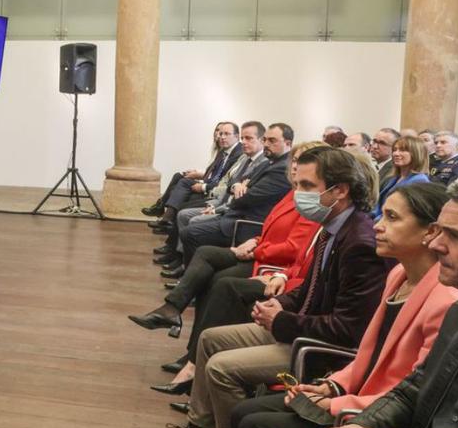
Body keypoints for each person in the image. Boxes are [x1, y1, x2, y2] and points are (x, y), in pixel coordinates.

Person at [145, 147, 388, 428]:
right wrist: (280, 303)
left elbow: (348, 329)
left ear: (340, 191)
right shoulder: (333, 228)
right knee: (210, 339)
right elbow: (309, 289)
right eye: (298, 185)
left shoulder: (359, 242)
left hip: (318, 348)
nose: (299, 193)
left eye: (308, 186)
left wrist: (282, 320)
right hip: (300, 327)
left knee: (221, 368)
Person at [281, 176, 458, 428]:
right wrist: (361, 427)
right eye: (439, 231)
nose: (435, 244)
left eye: (455, 236)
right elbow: (413, 392)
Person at [230, 183, 458, 428]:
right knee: (244, 412)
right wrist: (332, 385)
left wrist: (335, 404)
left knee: (255, 425)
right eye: (382, 215)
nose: (378, 225)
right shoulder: (398, 275)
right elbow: (370, 353)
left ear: (430, 232)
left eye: (392, 218)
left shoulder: (447, 302)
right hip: (357, 397)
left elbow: (413, 393)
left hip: (378, 419)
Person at [131, 142, 324, 389]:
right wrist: (255, 240)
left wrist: (256, 248)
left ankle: (192, 357)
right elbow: (270, 227)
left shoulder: (307, 200)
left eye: (301, 160)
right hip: (259, 248)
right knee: (205, 255)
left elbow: (293, 248)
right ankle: (176, 317)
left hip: (270, 263)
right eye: (295, 160)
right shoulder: (293, 191)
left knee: (217, 278)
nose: (295, 165)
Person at [176, 124, 294, 277]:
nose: (266, 144)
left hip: (246, 223)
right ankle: (189, 274)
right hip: (233, 213)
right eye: (265, 140)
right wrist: (239, 185)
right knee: (185, 211)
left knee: (191, 231)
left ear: (288, 144)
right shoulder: (267, 162)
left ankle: (190, 276)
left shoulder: (280, 168)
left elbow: (246, 197)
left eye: (272, 140)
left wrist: (239, 190)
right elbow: (235, 182)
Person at [145, 122, 244, 222]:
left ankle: (165, 216)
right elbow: (213, 172)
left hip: (217, 192)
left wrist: (203, 185)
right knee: (179, 180)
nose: (222, 137)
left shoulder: (239, 153)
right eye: (220, 133)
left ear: (236, 136)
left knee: (182, 188)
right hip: (211, 184)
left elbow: (224, 180)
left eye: (226, 134)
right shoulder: (224, 150)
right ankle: (165, 216)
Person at [373, 136, 430, 221]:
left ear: (416, 153)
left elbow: (403, 212)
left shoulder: (420, 181)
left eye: (402, 150)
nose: (396, 154)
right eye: (395, 150)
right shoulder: (393, 178)